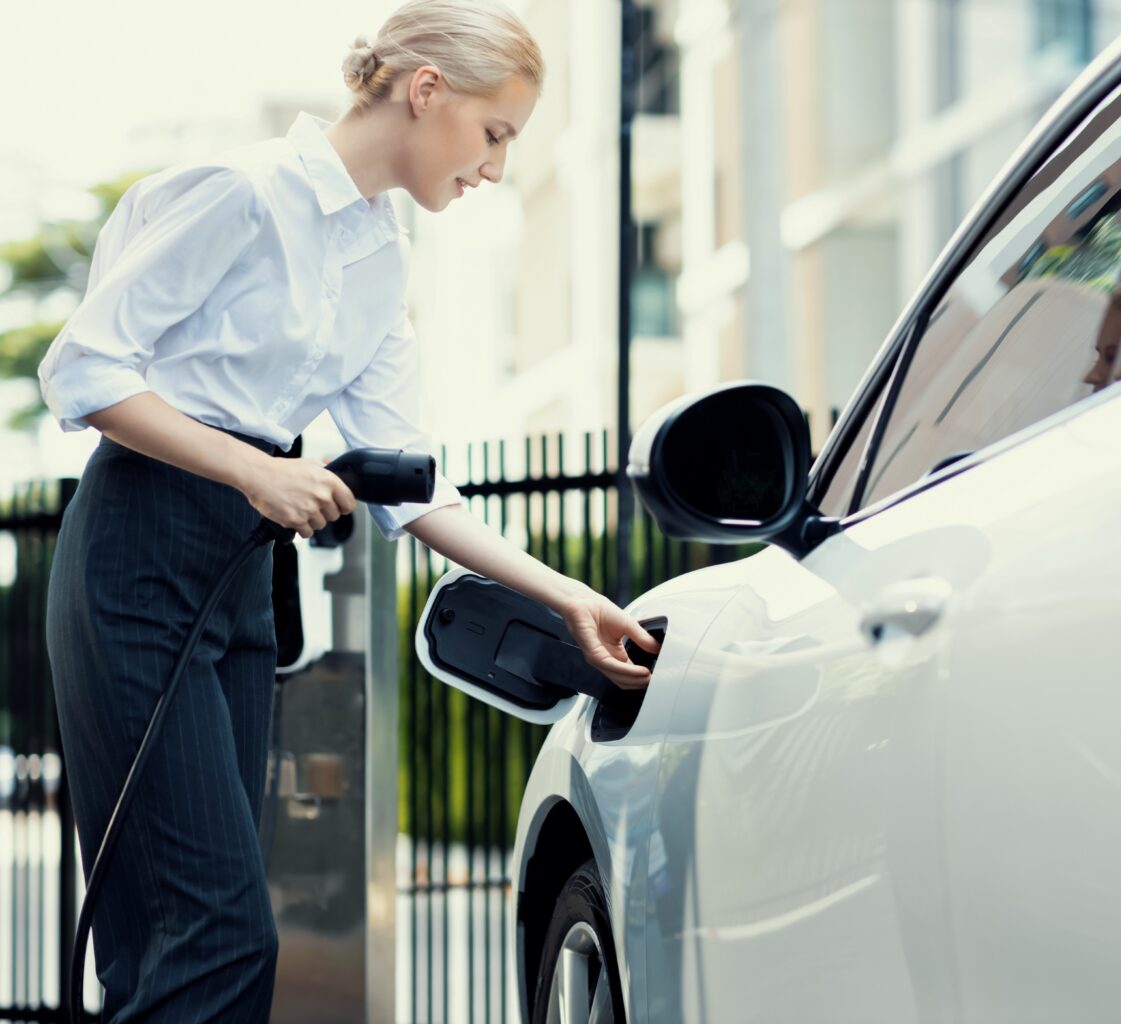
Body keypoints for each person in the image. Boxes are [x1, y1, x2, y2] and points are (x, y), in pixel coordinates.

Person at [36, 2, 658, 1020]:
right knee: (219, 926)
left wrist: (568, 596)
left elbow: (415, 489)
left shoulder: (380, 260)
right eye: (494, 134)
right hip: (137, 561)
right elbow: (87, 369)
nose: (497, 168)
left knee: (167, 939)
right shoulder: (240, 195)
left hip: (236, 584)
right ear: (426, 91)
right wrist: (256, 470)